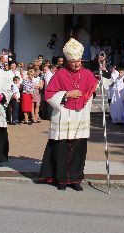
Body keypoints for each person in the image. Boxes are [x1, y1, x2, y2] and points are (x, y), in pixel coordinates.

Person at [38, 38, 98, 191]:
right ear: (67, 61)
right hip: (64, 114)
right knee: (62, 149)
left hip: (80, 116)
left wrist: (97, 88)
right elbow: (49, 94)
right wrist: (66, 94)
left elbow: (92, 89)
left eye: (78, 61)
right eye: (73, 62)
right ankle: (61, 180)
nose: (76, 64)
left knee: (78, 149)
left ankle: (75, 179)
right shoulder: (60, 74)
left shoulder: (88, 74)